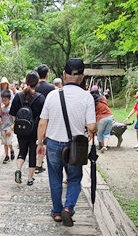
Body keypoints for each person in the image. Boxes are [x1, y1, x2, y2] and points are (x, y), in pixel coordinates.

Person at [37, 58, 96, 226]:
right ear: (83, 77)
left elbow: (42, 123)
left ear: (64, 75)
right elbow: (91, 127)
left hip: (54, 144)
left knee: (55, 178)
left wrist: (40, 144)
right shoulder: (87, 98)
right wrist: (94, 129)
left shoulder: (52, 95)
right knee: (75, 178)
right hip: (76, 146)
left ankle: (56, 212)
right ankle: (69, 208)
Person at [10, 71, 45, 186]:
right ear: (38, 82)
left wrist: (18, 125)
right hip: (34, 131)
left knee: (22, 151)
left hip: (21, 129)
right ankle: (30, 178)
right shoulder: (40, 98)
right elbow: (43, 118)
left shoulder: (18, 96)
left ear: (26, 81)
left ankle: (18, 169)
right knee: (32, 153)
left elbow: (13, 114)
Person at [33, 64, 55, 174]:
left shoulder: (34, 86)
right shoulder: (51, 88)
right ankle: (39, 164)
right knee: (44, 141)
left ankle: (36, 163)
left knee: (36, 141)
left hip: (34, 117)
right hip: (47, 118)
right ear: (47, 74)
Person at [91, 86, 114, 151]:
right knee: (107, 133)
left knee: (100, 133)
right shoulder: (103, 98)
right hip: (110, 116)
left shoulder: (93, 102)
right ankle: (105, 146)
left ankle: (101, 146)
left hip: (101, 118)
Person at [0, 89, 15, 163]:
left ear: (9, 99)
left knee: (9, 142)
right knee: (4, 143)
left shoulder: (11, 108)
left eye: (5, 100)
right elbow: (0, 117)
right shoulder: (2, 108)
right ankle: (6, 155)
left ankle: (12, 150)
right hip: (3, 128)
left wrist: (11, 129)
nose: (4, 101)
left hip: (9, 128)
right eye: (3, 100)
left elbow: (14, 120)